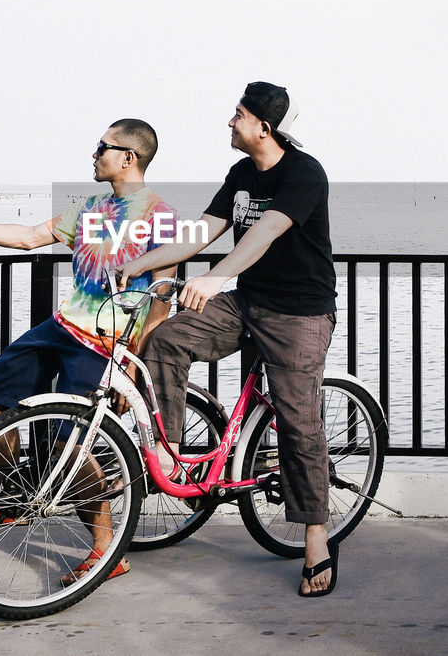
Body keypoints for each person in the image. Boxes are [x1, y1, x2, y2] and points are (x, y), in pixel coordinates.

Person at [0, 118, 176, 584]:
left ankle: (106, 550)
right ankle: (19, 498)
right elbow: (27, 237)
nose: (94, 154)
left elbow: (161, 298)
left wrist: (132, 363)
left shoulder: (161, 216)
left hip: (106, 342)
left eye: (103, 147)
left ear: (128, 157)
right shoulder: (92, 208)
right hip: (62, 327)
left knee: (68, 443)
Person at [116, 82, 340, 598]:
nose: (229, 122)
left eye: (237, 115)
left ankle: (315, 534)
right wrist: (140, 264)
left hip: (298, 313)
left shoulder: (304, 174)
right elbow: (205, 229)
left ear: (264, 125)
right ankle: (167, 457)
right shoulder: (240, 174)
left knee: (297, 419)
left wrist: (214, 278)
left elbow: (265, 233)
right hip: (248, 302)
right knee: (166, 342)